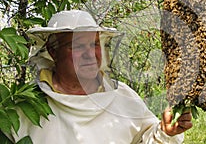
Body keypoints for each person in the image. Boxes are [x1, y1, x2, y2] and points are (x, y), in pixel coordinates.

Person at [10, 10, 192, 143]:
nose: (90, 54)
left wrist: (166, 132)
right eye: (77, 46)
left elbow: (149, 139)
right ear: (53, 51)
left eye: (94, 44)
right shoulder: (25, 106)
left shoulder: (123, 96)